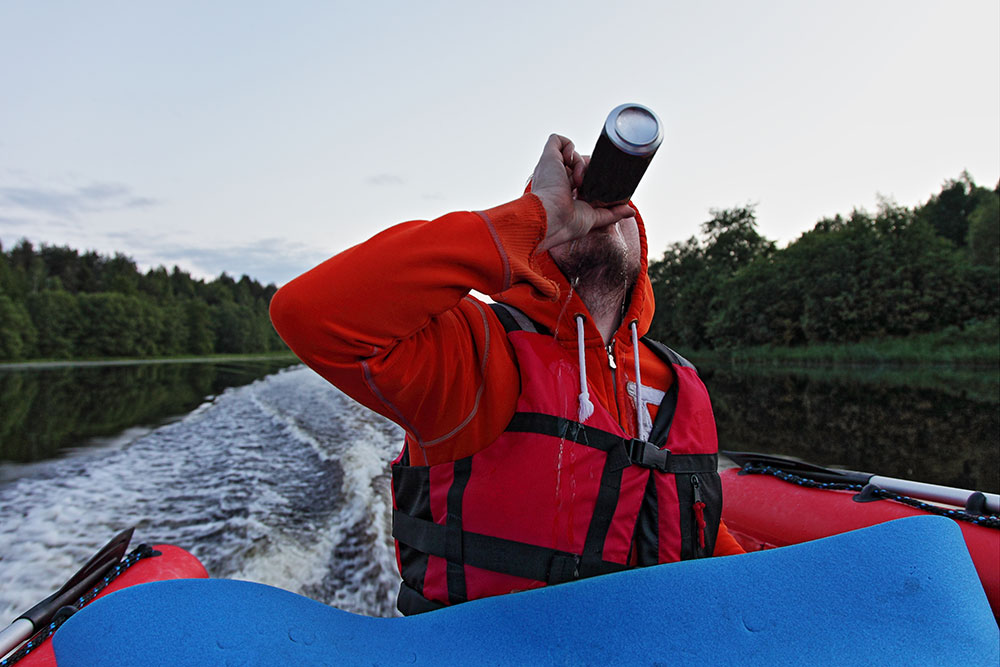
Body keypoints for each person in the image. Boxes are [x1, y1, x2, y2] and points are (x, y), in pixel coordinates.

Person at [270, 133, 745, 615]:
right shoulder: (470, 351)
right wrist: (538, 214)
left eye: (609, 201)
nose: (588, 210)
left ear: (638, 238)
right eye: (568, 206)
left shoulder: (681, 383)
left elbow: (699, 527)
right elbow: (307, 313)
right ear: (530, 243)